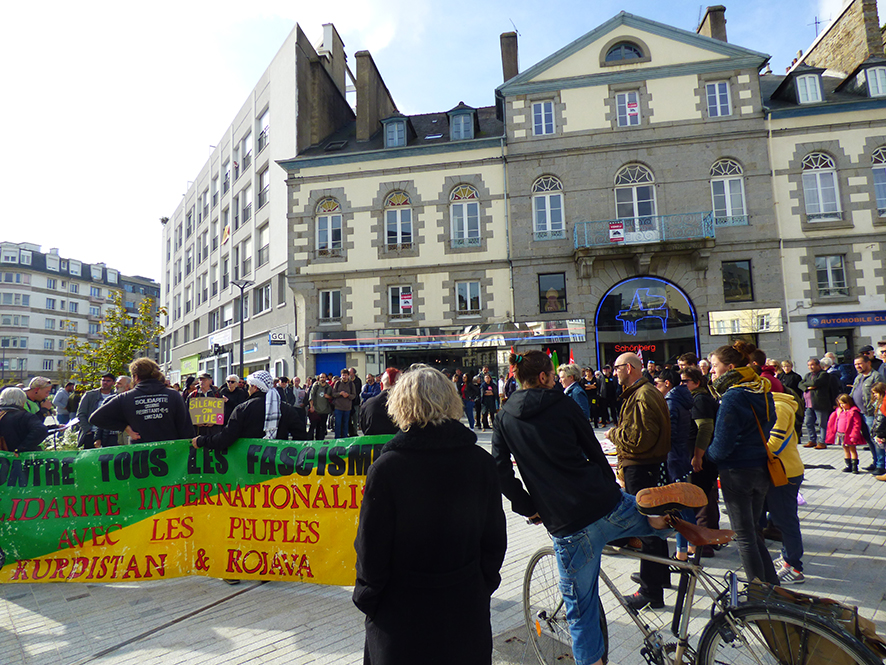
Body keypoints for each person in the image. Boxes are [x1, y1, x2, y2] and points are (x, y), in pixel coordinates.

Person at [493, 350, 706, 665]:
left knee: (580, 610)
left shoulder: (503, 417)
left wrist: (529, 507)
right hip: (603, 502)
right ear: (542, 378)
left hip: (566, 522)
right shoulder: (563, 404)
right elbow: (593, 450)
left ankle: (593, 661)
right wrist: (611, 487)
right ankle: (662, 518)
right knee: (636, 514)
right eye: (553, 376)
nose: (555, 381)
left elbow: (501, 471)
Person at [353, 365, 507, 665]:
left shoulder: (388, 469)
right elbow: (495, 539)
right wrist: (480, 584)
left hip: (402, 614)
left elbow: (371, 548)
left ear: (401, 405)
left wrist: (369, 597)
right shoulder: (480, 461)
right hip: (463, 605)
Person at [706, 342, 778, 585]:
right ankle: (771, 586)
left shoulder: (733, 395)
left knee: (744, 536)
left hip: (737, 471)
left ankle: (759, 593)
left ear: (730, 367)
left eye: (715, 366)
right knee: (753, 533)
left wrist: (708, 457)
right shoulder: (760, 389)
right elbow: (771, 420)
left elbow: (722, 443)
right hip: (760, 466)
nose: (711, 372)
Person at [605, 352, 672, 609]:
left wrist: (613, 434)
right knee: (651, 525)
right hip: (644, 467)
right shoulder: (642, 392)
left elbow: (638, 440)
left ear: (631, 368)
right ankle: (654, 577)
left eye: (617, 367)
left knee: (647, 528)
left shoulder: (642, 394)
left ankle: (651, 591)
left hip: (641, 468)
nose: (614, 372)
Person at [192, 370, 306, 450]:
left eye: (249, 386)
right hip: (278, 467)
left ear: (255, 387)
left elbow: (226, 438)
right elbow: (302, 437)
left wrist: (202, 441)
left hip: (248, 467)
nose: (248, 390)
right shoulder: (286, 409)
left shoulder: (243, 408)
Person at [90, 358, 194, 444]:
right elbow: (186, 428)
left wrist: (124, 427)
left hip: (139, 456)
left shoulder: (126, 397)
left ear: (135, 377)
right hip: (171, 453)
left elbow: (96, 418)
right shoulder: (173, 395)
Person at [766, 390, 806, 584]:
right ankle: (787, 557)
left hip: (785, 472)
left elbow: (774, 443)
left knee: (786, 520)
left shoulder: (779, 407)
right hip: (784, 470)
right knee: (781, 517)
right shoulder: (776, 405)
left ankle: (795, 567)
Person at [850, 354, 882, 472]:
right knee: (868, 439)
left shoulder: (876, 376)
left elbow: (880, 395)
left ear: (868, 363)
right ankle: (875, 461)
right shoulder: (858, 377)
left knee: (876, 439)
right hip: (860, 413)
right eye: (856, 364)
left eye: (860, 363)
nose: (857, 366)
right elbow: (853, 392)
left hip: (871, 413)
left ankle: (881, 465)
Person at [825, 394, 866, 474]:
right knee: (845, 449)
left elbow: (856, 424)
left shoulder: (853, 412)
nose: (842, 405)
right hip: (841, 434)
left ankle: (855, 466)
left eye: (844, 403)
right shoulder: (839, 411)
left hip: (850, 435)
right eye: (840, 403)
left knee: (852, 450)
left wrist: (854, 434)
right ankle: (848, 465)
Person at [0, 387, 49, 453]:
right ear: (23, 402)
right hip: (21, 458)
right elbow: (41, 430)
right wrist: (22, 448)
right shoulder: (25, 416)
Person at [798, 358, 832, 449]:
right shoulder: (808, 375)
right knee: (808, 422)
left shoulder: (824, 374)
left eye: (812, 365)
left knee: (822, 424)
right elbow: (800, 384)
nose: (810, 367)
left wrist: (808, 384)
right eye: (809, 365)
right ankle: (812, 440)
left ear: (818, 365)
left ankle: (822, 441)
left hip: (820, 403)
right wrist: (807, 388)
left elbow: (815, 382)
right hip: (808, 404)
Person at [76, 373, 116, 449]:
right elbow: (81, 414)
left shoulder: (116, 395)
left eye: (108, 381)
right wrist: (88, 430)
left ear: (113, 383)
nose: (105, 383)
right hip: (91, 433)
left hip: (109, 434)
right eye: (103, 380)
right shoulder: (90, 395)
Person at [359, 368, 401, 436]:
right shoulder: (408, 405)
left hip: (373, 445)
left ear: (381, 385)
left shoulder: (367, 404)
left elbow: (363, 427)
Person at [186, 371, 221, 437]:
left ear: (210, 381)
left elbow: (222, 411)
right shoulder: (193, 395)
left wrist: (215, 421)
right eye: (200, 380)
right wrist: (195, 422)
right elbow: (186, 411)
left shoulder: (217, 394)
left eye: (204, 380)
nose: (202, 382)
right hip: (198, 431)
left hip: (213, 431)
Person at [331, 369, 356, 439]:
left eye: (345, 375)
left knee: (345, 424)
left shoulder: (351, 384)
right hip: (338, 407)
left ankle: (345, 439)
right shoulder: (338, 383)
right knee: (338, 424)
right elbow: (333, 393)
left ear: (348, 376)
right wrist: (340, 393)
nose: (344, 377)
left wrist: (348, 395)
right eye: (342, 375)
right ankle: (337, 439)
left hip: (347, 408)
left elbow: (354, 395)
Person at [308, 373, 333, 440]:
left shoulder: (329, 387)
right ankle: (311, 440)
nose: (322, 379)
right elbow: (311, 397)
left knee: (322, 427)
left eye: (324, 377)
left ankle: (321, 440)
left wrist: (329, 396)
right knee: (314, 426)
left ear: (326, 378)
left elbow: (333, 397)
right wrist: (311, 407)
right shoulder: (315, 386)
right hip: (316, 410)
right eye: (321, 377)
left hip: (325, 410)